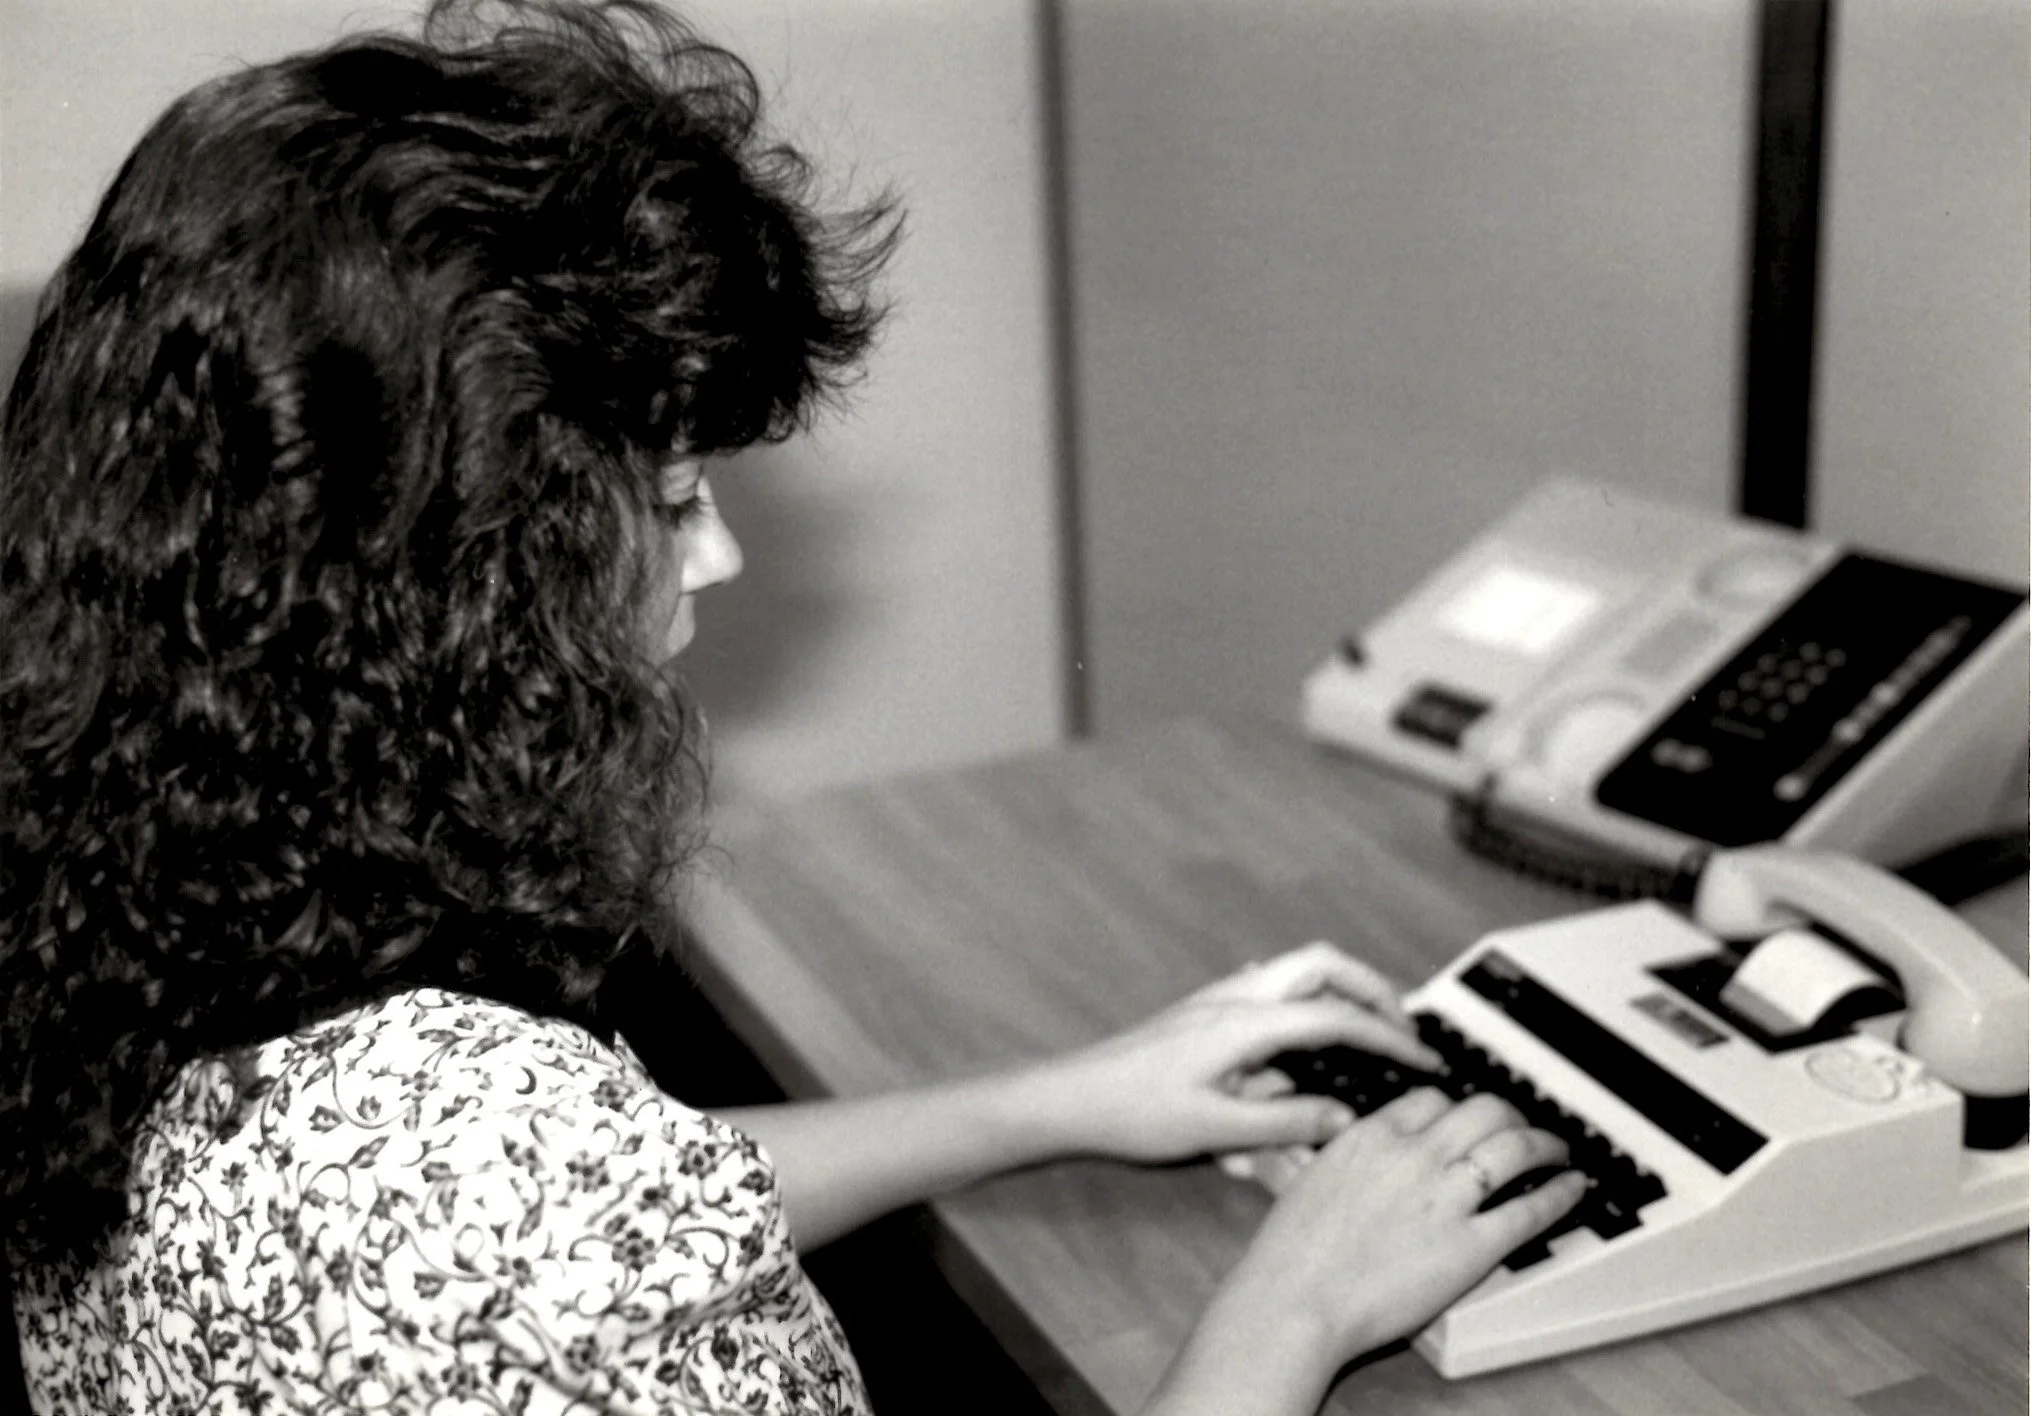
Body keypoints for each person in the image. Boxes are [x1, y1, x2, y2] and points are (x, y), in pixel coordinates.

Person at [0, 2, 1585, 1412]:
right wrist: (1298, 1304)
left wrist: (1060, 1101)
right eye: (675, 492)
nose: (723, 548)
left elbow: (589, 1221)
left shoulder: (125, 870)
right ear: (454, 590)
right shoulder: (486, 1163)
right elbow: (525, 1222)